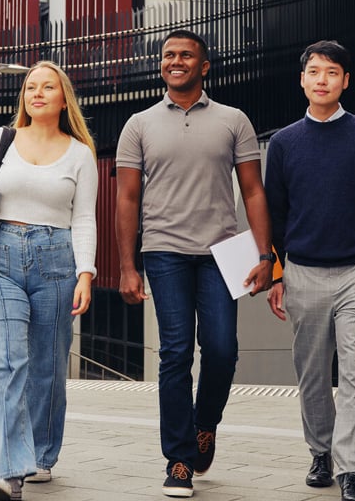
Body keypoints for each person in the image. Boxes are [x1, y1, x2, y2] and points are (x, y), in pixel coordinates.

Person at [115, 29, 274, 498]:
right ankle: (179, 460)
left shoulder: (234, 120)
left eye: (186, 55)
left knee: (223, 350)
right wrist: (127, 266)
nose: (175, 61)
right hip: (163, 252)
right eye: (168, 55)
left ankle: (206, 425)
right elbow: (126, 198)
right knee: (176, 353)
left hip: (221, 254)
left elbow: (253, 191)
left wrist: (266, 256)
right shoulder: (139, 124)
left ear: (204, 66)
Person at [0, 60, 98, 501]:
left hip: (57, 261)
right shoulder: (1, 140)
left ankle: (42, 455)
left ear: (63, 97)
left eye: (48, 87)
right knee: (7, 363)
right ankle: (9, 471)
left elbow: (84, 219)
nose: (38, 93)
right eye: (31, 87)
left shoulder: (80, 154)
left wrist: (86, 272)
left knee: (47, 367)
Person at [264, 40, 355, 501]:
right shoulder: (284, 143)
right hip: (303, 271)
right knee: (311, 373)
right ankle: (320, 452)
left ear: (345, 80)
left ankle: (352, 471)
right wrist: (277, 273)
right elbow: (275, 215)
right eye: (314, 71)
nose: (322, 79)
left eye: (332, 72)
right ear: (302, 80)